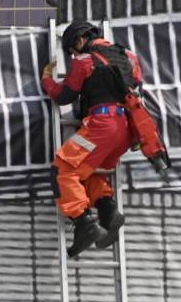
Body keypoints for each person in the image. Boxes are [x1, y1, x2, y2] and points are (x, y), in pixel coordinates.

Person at [41, 21, 144, 257]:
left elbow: (64, 96)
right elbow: (137, 88)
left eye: (71, 50)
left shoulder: (84, 61)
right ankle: (108, 211)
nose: (72, 56)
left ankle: (85, 225)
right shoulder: (128, 56)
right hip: (127, 130)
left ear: (79, 40)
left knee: (62, 171)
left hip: (103, 126)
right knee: (89, 172)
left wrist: (47, 79)